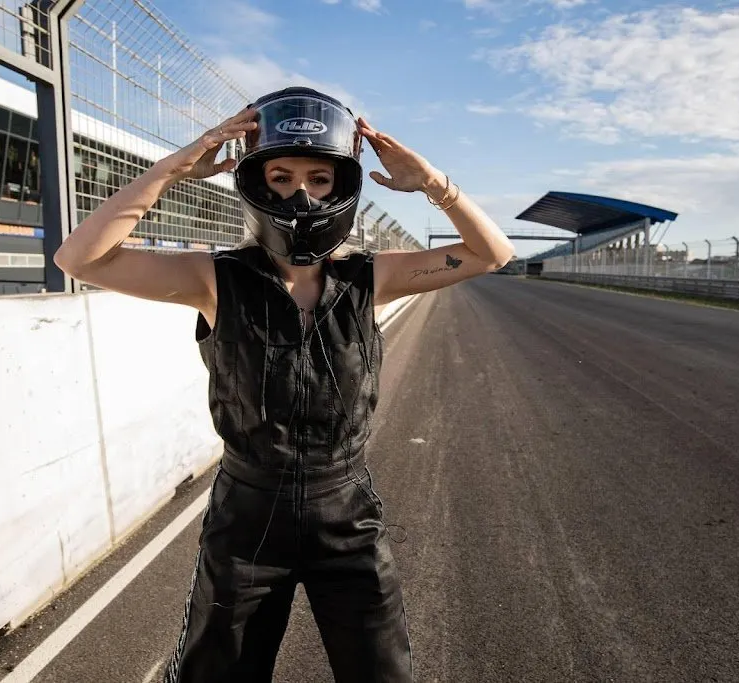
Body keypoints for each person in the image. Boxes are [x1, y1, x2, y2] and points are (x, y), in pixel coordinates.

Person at [53, 86, 514, 682]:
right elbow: (81, 259)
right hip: (246, 518)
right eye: (282, 176)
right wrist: (177, 168)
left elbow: (490, 253)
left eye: (320, 179)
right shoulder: (215, 278)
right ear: (256, 183)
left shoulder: (372, 277)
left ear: (343, 187)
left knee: (383, 674)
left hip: (345, 513)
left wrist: (429, 181)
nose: (301, 193)